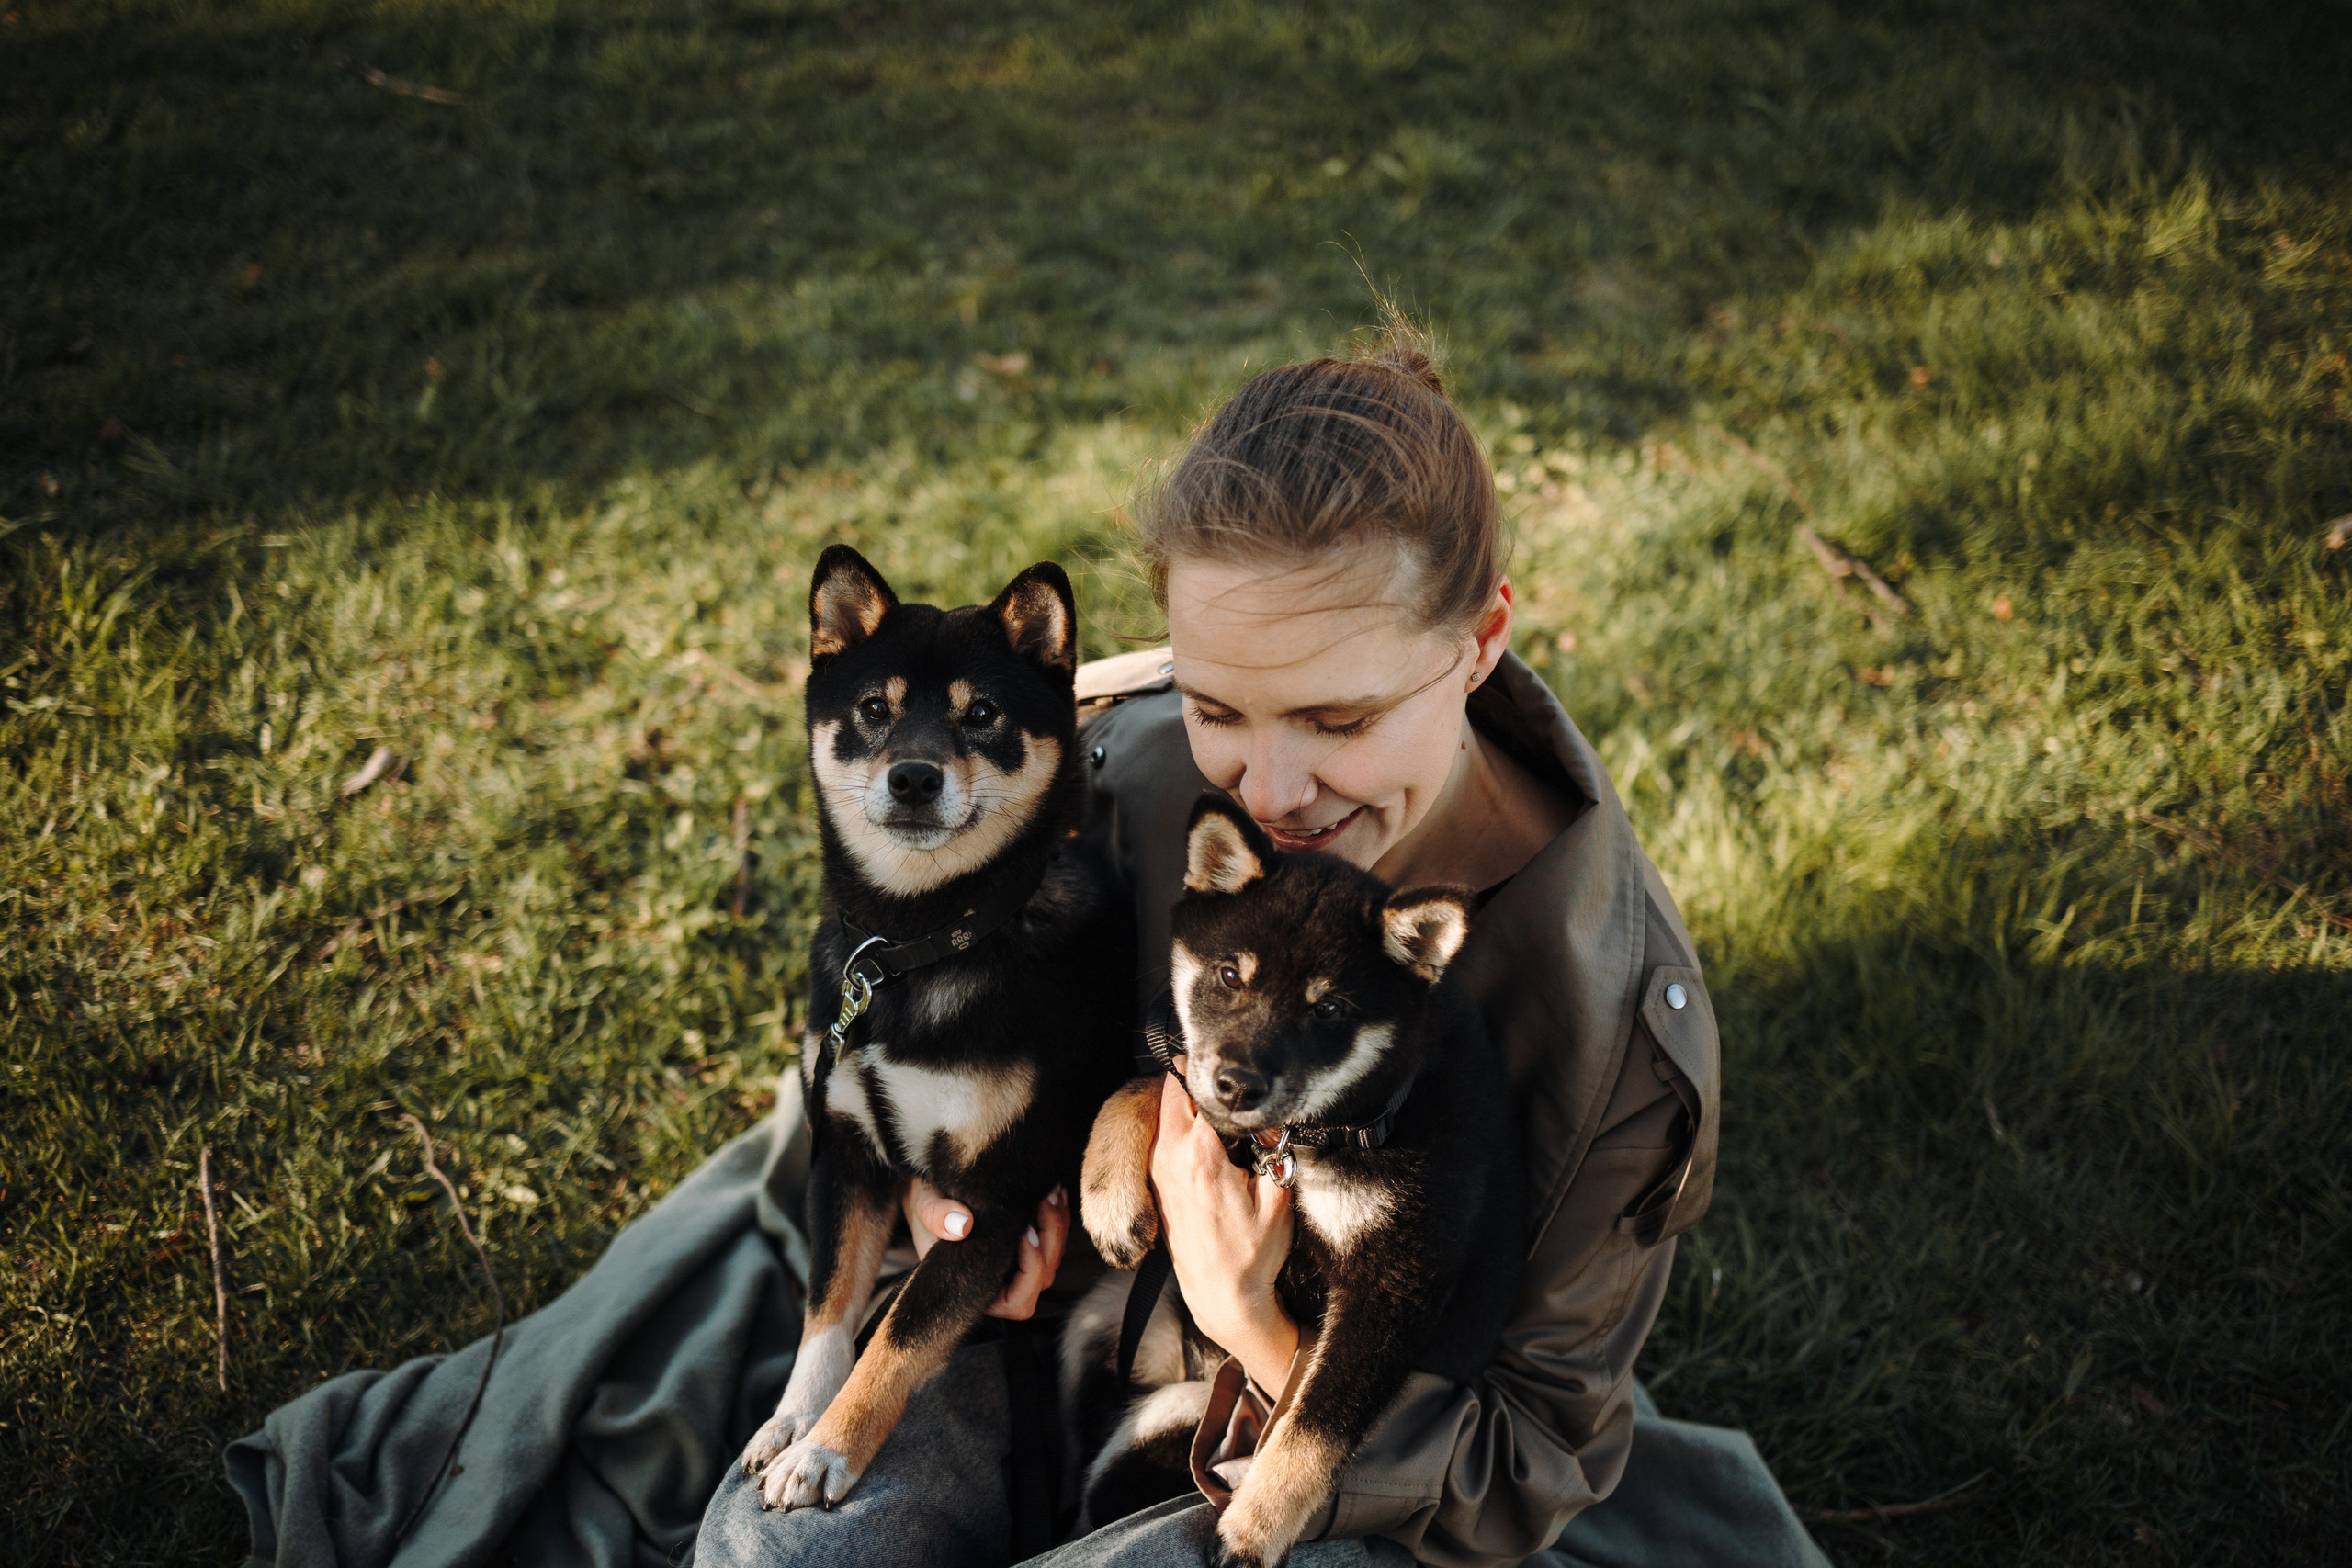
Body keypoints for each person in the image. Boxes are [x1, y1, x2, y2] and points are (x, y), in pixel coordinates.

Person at [228, 334, 1826, 1568]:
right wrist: (950, 1195)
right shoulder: (1118, 770)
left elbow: (1528, 1464)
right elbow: (922, 1026)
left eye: (1340, 720)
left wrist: (1259, 1329)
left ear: (1479, 644)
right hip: (1016, 1332)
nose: (1272, 790)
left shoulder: (1618, 1025)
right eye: (1224, 706)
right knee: (775, 1554)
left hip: (1310, 1463)